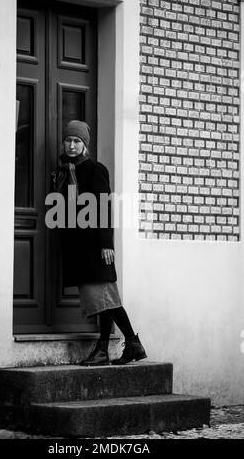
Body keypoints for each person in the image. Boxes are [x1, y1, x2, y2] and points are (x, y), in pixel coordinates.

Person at [52, 120, 147, 366]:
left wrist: (106, 243)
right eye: (68, 140)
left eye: (77, 141)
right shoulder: (65, 171)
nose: (72, 145)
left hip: (95, 246)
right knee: (103, 301)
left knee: (106, 298)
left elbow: (104, 207)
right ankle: (119, 347)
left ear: (84, 146)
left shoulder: (96, 169)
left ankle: (122, 345)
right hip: (78, 246)